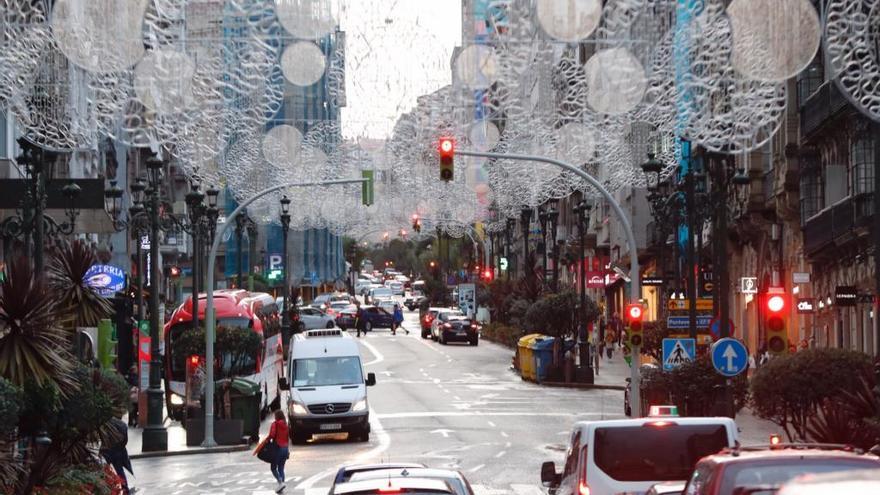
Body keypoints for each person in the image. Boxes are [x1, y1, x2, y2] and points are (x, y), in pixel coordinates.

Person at [101, 412, 134, 494]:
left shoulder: (106, 423)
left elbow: (104, 437)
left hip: (107, 450)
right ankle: (125, 489)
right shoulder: (123, 425)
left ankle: (106, 489)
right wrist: (120, 447)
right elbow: (125, 440)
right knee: (120, 471)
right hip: (118, 450)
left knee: (104, 471)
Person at [268, 410, 290, 492]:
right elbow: (287, 438)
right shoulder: (285, 425)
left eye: (275, 416)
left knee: (273, 468)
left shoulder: (275, 424)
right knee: (281, 468)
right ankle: (281, 486)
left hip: (277, 448)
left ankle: (280, 482)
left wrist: (266, 441)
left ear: (277, 416)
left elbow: (272, 435)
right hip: (285, 448)